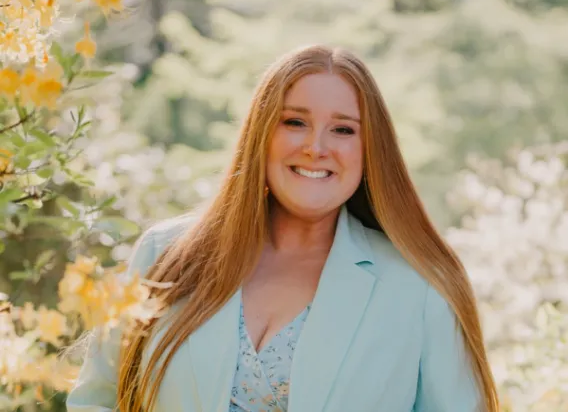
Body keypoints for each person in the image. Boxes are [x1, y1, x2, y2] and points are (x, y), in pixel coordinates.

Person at [66, 45, 499, 412]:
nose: (316, 147)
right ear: (261, 133)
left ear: (371, 151)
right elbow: (95, 400)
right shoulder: (163, 254)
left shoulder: (418, 288)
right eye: (295, 122)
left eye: (343, 129)